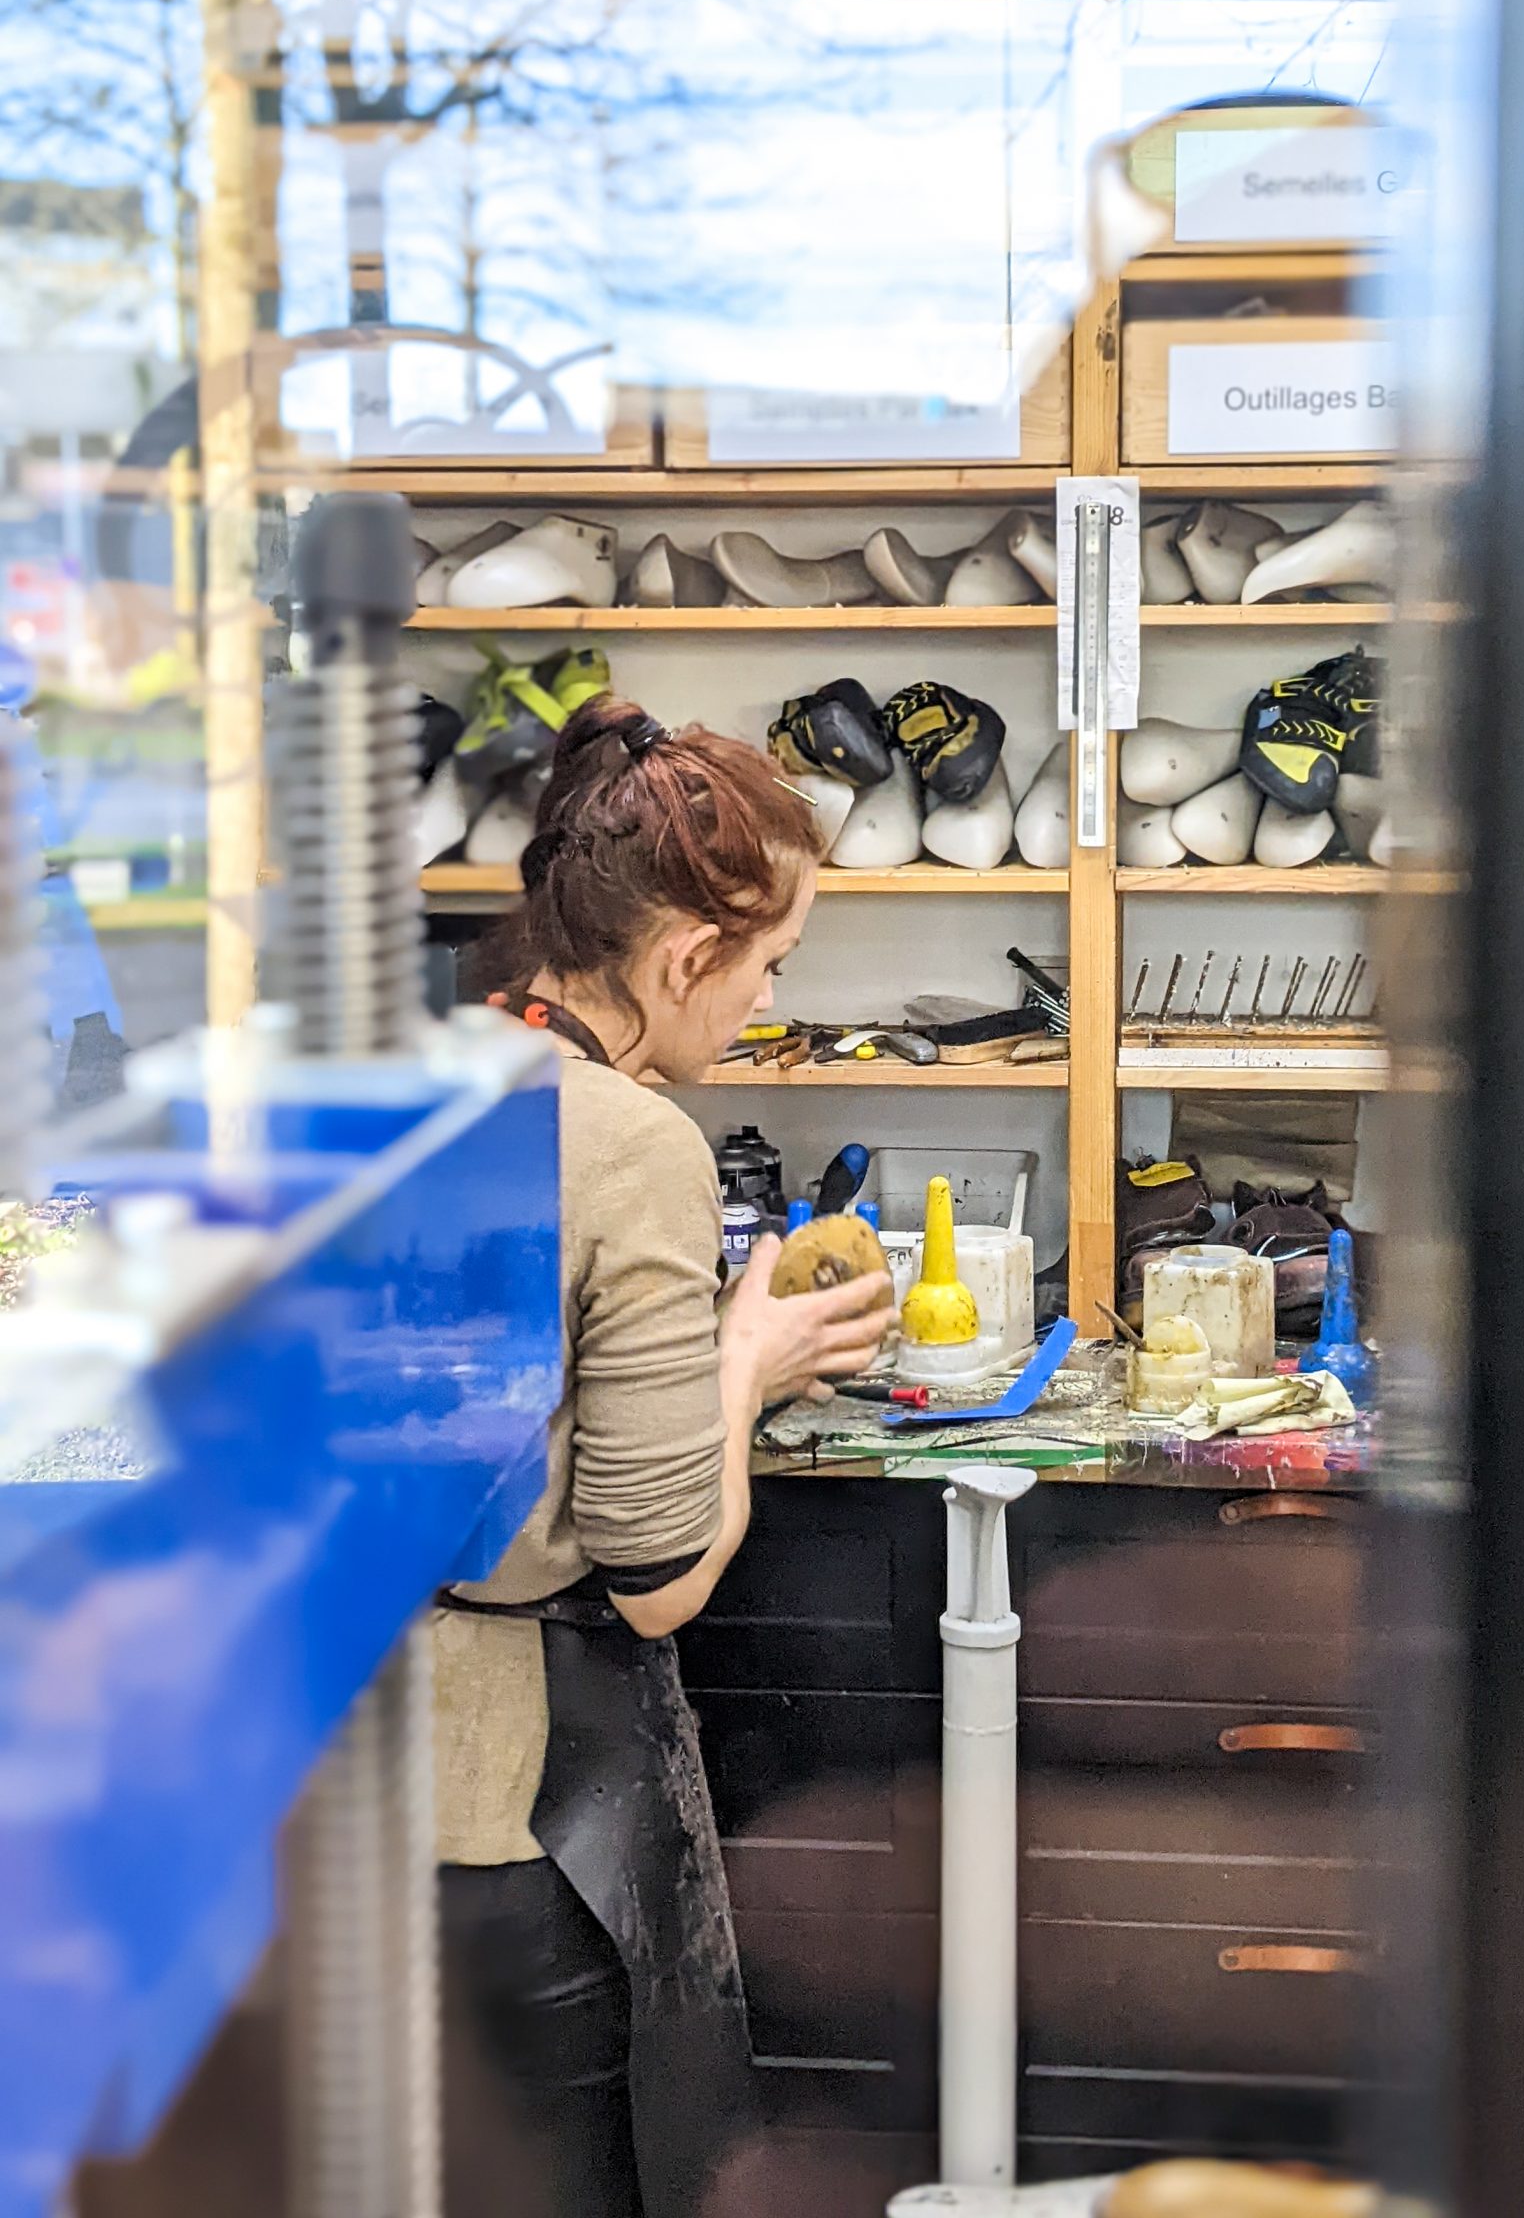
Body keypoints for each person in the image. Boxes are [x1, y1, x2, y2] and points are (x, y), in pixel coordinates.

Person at [433, 694, 894, 2218]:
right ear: (689, 958)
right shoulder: (635, 1146)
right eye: (771, 966)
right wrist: (745, 1361)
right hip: (507, 1823)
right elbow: (656, 1575)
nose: (767, 1000)